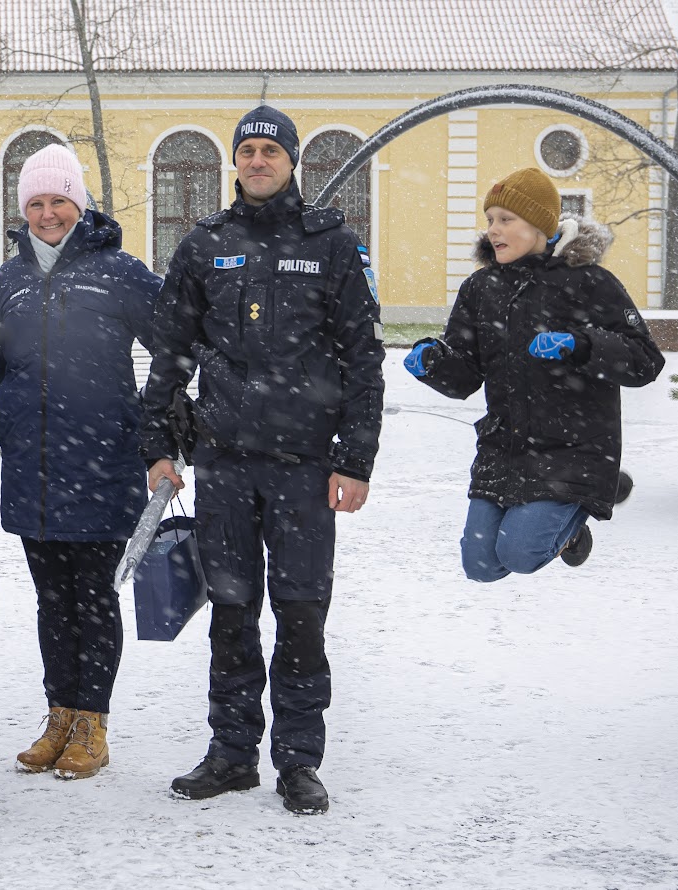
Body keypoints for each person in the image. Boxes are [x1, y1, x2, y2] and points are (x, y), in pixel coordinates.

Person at [141, 106, 385, 815]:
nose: (255, 161)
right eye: (245, 150)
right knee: (230, 609)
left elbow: (362, 359)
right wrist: (156, 445)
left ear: (290, 161)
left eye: (267, 151)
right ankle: (231, 752)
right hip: (223, 462)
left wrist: (355, 459)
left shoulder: (332, 246)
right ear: (235, 163)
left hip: (305, 469)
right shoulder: (204, 244)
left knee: (301, 614)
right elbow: (168, 354)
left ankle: (299, 759)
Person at [0, 144, 160, 780]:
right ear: (23, 209)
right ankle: (59, 715)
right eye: (36, 202)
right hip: (34, 468)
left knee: (95, 599)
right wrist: (17, 420)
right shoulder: (7, 281)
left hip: (103, 466)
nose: (48, 213)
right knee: (51, 601)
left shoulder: (120, 273)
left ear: (79, 205)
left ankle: (93, 723)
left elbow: (174, 346)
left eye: (59, 201)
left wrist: (150, 425)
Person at [404, 167, 663, 580]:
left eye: (506, 219)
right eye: (490, 219)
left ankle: (582, 511)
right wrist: (434, 362)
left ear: (541, 224)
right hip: (503, 446)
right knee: (482, 566)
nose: (493, 230)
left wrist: (581, 345)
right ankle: (579, 517)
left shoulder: (590, 282)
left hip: (573, 449)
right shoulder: (480, 288)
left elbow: (645, 360)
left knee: (521, 555)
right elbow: (465, 375)